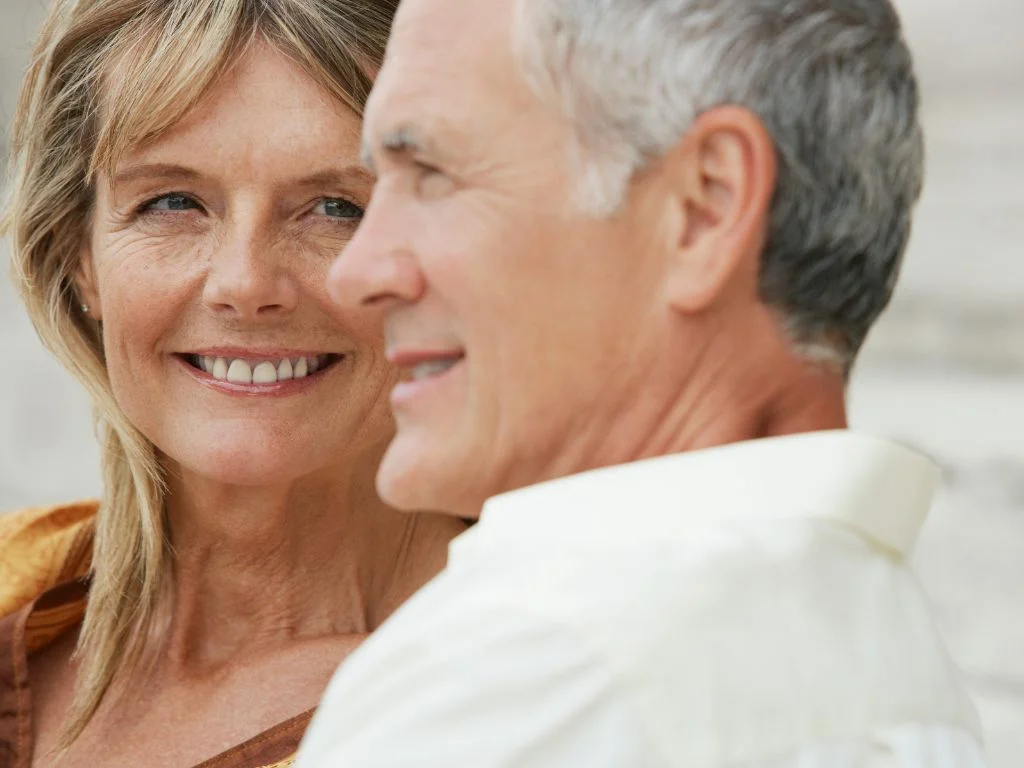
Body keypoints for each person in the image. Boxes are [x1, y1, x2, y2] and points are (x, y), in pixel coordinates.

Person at [297, 0, 989, 765]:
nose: (355, 272)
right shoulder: (906, 684)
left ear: (704, 208)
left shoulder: (523, 680)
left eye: (431, 172)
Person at [0, 1, 467, 766]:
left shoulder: (533, 689)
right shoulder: (18, 578)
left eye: (336, 209)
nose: (245, 282)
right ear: (76, 257)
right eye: (173, 202)